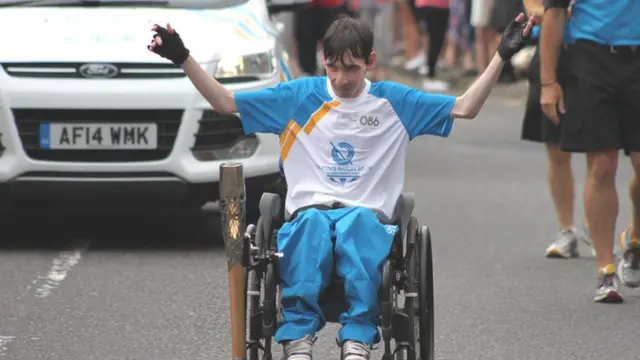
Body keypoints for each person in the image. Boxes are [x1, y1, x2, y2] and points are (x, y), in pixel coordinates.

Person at [147, 14, 536, 359]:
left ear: (370, 63)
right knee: (311, 228)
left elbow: (464, 107)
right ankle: (298, 341)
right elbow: (224, 101)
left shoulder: (394, 101)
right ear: (323, 61)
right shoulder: (298, 96)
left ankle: (358, 341)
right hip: (309, 212)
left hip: (366, 215)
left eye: (350, 68)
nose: (340, 79)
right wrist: (182, 57)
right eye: (332, 67)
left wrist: (501, 54)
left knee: (356, 228)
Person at [540, 0, 640, 303]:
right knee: (602, 164)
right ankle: (605, 269)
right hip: (590, 57)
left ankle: (634, 237)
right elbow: (554, 13)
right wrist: (548, 82)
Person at [519, 0, 593, 259]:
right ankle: (567, 229)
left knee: (600, 149)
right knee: (557, 149)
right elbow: (534, 9)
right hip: (552, 55)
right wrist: (561, 13)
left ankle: (595, 222)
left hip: (594, 54)